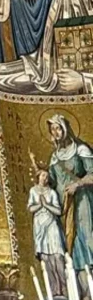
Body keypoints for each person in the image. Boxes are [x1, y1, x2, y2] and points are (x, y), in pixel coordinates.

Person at [48, 116, 93, 285]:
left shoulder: (81, 149)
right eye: (52, 130)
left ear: (66, 129)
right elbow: (52, 183)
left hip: (83, 201)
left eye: (58, 128)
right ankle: (84, 290)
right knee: (71, 244)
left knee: (86, 237)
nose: (56, 133)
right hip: (64, 206)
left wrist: (77, 184)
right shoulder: (55, 157)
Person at [29, 166, 67, 298]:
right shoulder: (33, 191)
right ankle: (54, 289)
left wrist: (46, 205)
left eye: (47, 176)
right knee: (45, 257)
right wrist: (40, 205)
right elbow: (31, 208)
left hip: (52, 225)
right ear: (38, 176)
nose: (45, 178)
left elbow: (58, 211)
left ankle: (64, 288)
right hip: (40, 225)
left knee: (57, 256)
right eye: (42, 175)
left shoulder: (52, 193)